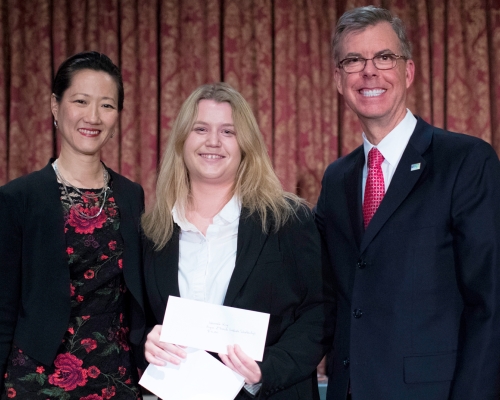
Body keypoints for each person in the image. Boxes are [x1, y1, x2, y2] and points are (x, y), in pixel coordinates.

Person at [315, 5, 500, 400]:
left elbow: (490, 303)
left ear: (408, 72)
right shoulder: (336, 179)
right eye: (353, 60)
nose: (369, 72)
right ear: (338, 79)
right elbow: (326, 300)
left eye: (384, 57)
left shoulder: (466, 161)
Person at [141, 82, 330, 399]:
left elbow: (320, 315)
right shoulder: (154, 231)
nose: (213, 141)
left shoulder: (288, 220)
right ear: (182, 140)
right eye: (200, 128)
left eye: (228, 132)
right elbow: (142, 322)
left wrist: (263, 372)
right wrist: (148, 340)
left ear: (246, 145)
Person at [0, 51, 147, 399]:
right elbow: (2, 307)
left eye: (107, 105)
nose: (93, 117)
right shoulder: (17, 198)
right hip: (37, 379)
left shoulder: (131, 196)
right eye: (81, 101)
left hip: (116, 377)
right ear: (55, 105)